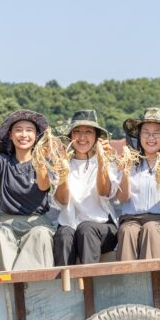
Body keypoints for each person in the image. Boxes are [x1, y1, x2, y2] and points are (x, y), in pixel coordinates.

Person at [0, 110, 55, 272]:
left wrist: (40, 158)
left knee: (41, 234)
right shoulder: (3, 162)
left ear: (36, 136)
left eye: (29, 130)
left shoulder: (44, 163)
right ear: (11, 135)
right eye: (18, 130)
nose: (24, 134)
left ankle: (34, 289)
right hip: (5, 223)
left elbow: (43, 185)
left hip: (37, 222)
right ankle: (1, 288)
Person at [116, 107, 160, 261]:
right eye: (146, 132)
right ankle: (128, 283)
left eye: (157, 133)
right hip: (132, 219)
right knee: (127, 231)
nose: (151, 137)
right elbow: (122, 198)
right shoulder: (129, 162)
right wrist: (125, 172)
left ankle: (152, 282)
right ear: (139, 135)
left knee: (151, 228)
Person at [52, 110, 120, 265]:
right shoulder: (62, 163)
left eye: (88, 132)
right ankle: (65, 285)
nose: (82, 138)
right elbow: (62, 201)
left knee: (86, 229)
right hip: (71, 225)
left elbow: (105, 192)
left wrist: (102, 161)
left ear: (96, 137)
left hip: (102, 228)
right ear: (70, 137)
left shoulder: (107, 160)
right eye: (77, 132)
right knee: (63, 234)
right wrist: (63, 171)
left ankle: (90, 285)